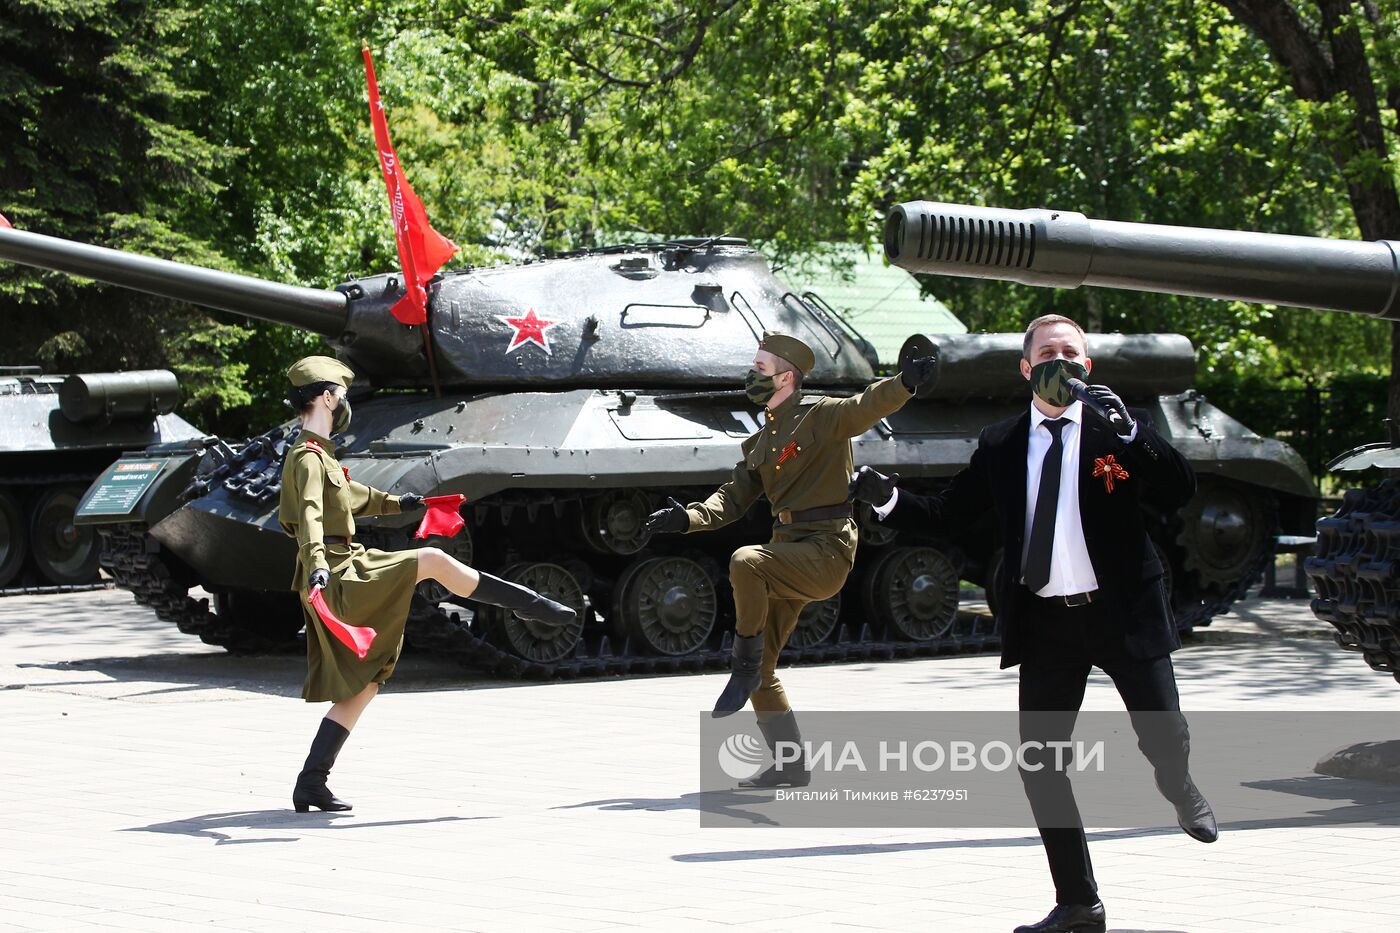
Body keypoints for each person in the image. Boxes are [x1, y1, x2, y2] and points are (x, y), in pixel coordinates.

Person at [849, 315, 1216, 933]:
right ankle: (1078, 904)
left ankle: (1179, 786)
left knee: (1162, 735)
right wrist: (887, 500)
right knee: (1041, 763)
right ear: (1026, 368)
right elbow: (948, 514)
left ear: (1087, 368)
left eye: (1071, 354)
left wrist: (1132, 433)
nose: (1060, 362)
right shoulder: (1001, 442)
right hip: (1048, 621)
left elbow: (1179, 488)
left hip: (1123, 612)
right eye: (1048, 353)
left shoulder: (1117, 432)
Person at [278, 355, 577, 813]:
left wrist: (404, 502)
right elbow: (312, 516)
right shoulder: (307, 458)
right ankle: (527, 603)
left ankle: (310, 782)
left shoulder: (320, 456)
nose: (344, 402)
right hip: (335, 569)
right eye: (340, 393)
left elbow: (357, 499)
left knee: (366, 682)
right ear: (326, 396)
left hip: (343, 562)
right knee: (433, 559)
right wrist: (318, 562)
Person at [647, 332, 936, 787]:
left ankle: (740, 668)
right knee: (766, 669)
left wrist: (905, 383)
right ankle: (789, 763)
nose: (751, 374)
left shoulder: (820, 415)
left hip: (825, 549)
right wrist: (686, 519)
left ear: (786, 377)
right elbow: (732, 498)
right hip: (789, 548)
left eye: (760, 368)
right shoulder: (763, 439)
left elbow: (865, 406)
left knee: (746, 561)